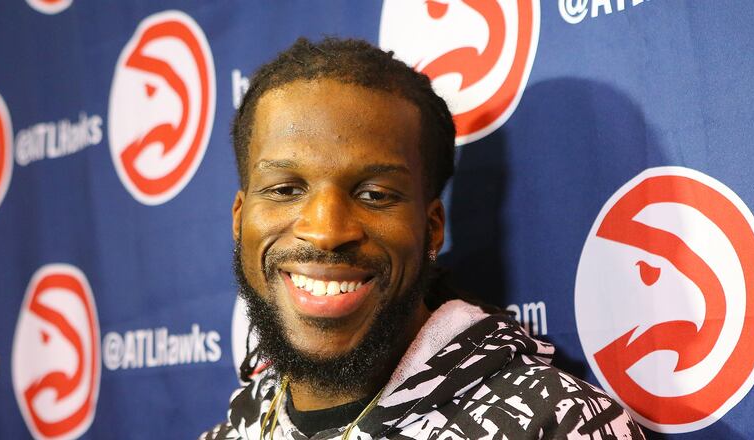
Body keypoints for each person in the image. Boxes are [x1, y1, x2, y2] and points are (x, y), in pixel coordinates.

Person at [200, 37, 644, 440]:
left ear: (432, 228)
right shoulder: (229, 433)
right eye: (285, 190)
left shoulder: (556, 425)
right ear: (240, 218)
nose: (326, 231)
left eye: (374, 195)